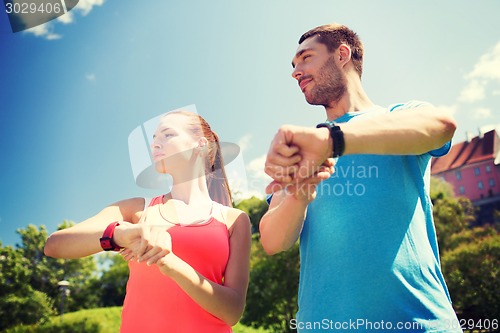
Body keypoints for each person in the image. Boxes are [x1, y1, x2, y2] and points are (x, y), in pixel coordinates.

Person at [260, 24, 462, 332]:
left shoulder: (400, 117)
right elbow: (273, 241)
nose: (295, 71)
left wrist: (333, 140)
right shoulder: (300, 150)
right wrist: (300, 193)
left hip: (419, 324)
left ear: (342, 54)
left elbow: (441, 125)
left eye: (305, 58)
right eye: (293, 65)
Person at [44, 110, 251, 333]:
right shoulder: (137, 210)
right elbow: (54, 245)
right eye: (153, 139)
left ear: (200, 144)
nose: (155, 145)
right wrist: (118, 234)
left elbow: (232, 312)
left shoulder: (234, 220)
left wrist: (169, 262)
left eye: (167, 135)